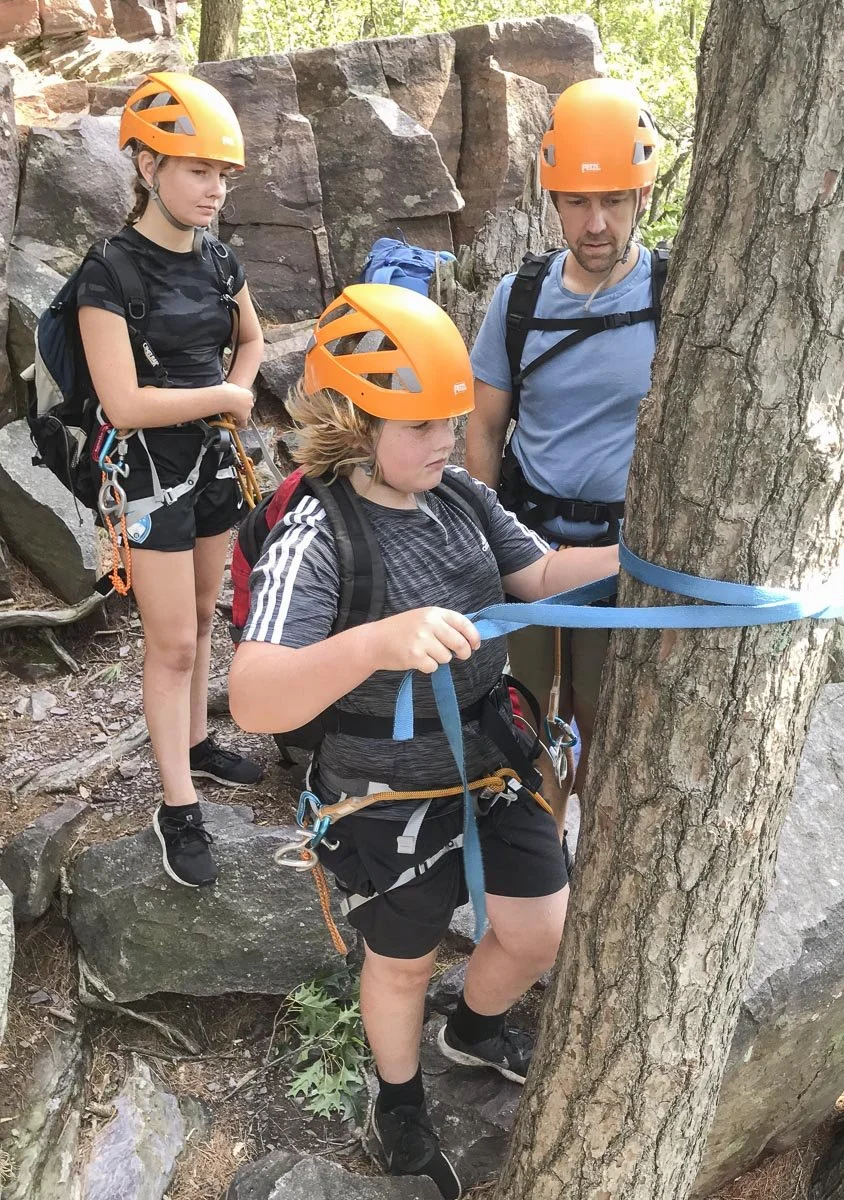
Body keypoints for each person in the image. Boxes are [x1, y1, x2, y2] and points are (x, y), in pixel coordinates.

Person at [229, 283, 619, 1199]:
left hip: (489, 765)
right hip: (386, 796)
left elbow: (542, 573)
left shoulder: (461, 498)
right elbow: (251, 697)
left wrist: (644, 556)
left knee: (538, 931)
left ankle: (474, 1029)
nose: (448, 438)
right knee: (400, 963)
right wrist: (376, 641)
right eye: (420, 424)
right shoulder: (318, 535)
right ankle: (396, 1094)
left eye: (451, 416)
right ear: (353, 421)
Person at [77, 71, 265, 889]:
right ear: (147, 166)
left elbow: (249, 338)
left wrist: (242, 387)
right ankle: (176, 807)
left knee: (199, 611)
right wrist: (225, 395)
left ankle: (195, 744)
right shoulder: (109, 271)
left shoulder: (220, 260)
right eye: (198, 170)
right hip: (152, 472)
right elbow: (121, 401)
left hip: (213, 463)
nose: (214, 189)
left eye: (224, 175)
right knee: (175, 640)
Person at [465, 77, 661, 846]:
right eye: (578, 202)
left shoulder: (671, 295)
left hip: (620, 552)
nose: (597, 221)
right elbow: (483, 427)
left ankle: (587, 847)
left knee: (597, 712)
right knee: (528, 710)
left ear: (641, 195)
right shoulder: (519, 301)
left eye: (614, 199)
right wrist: (482, 535)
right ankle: (543, 856)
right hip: (529, 541)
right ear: (554, 202)